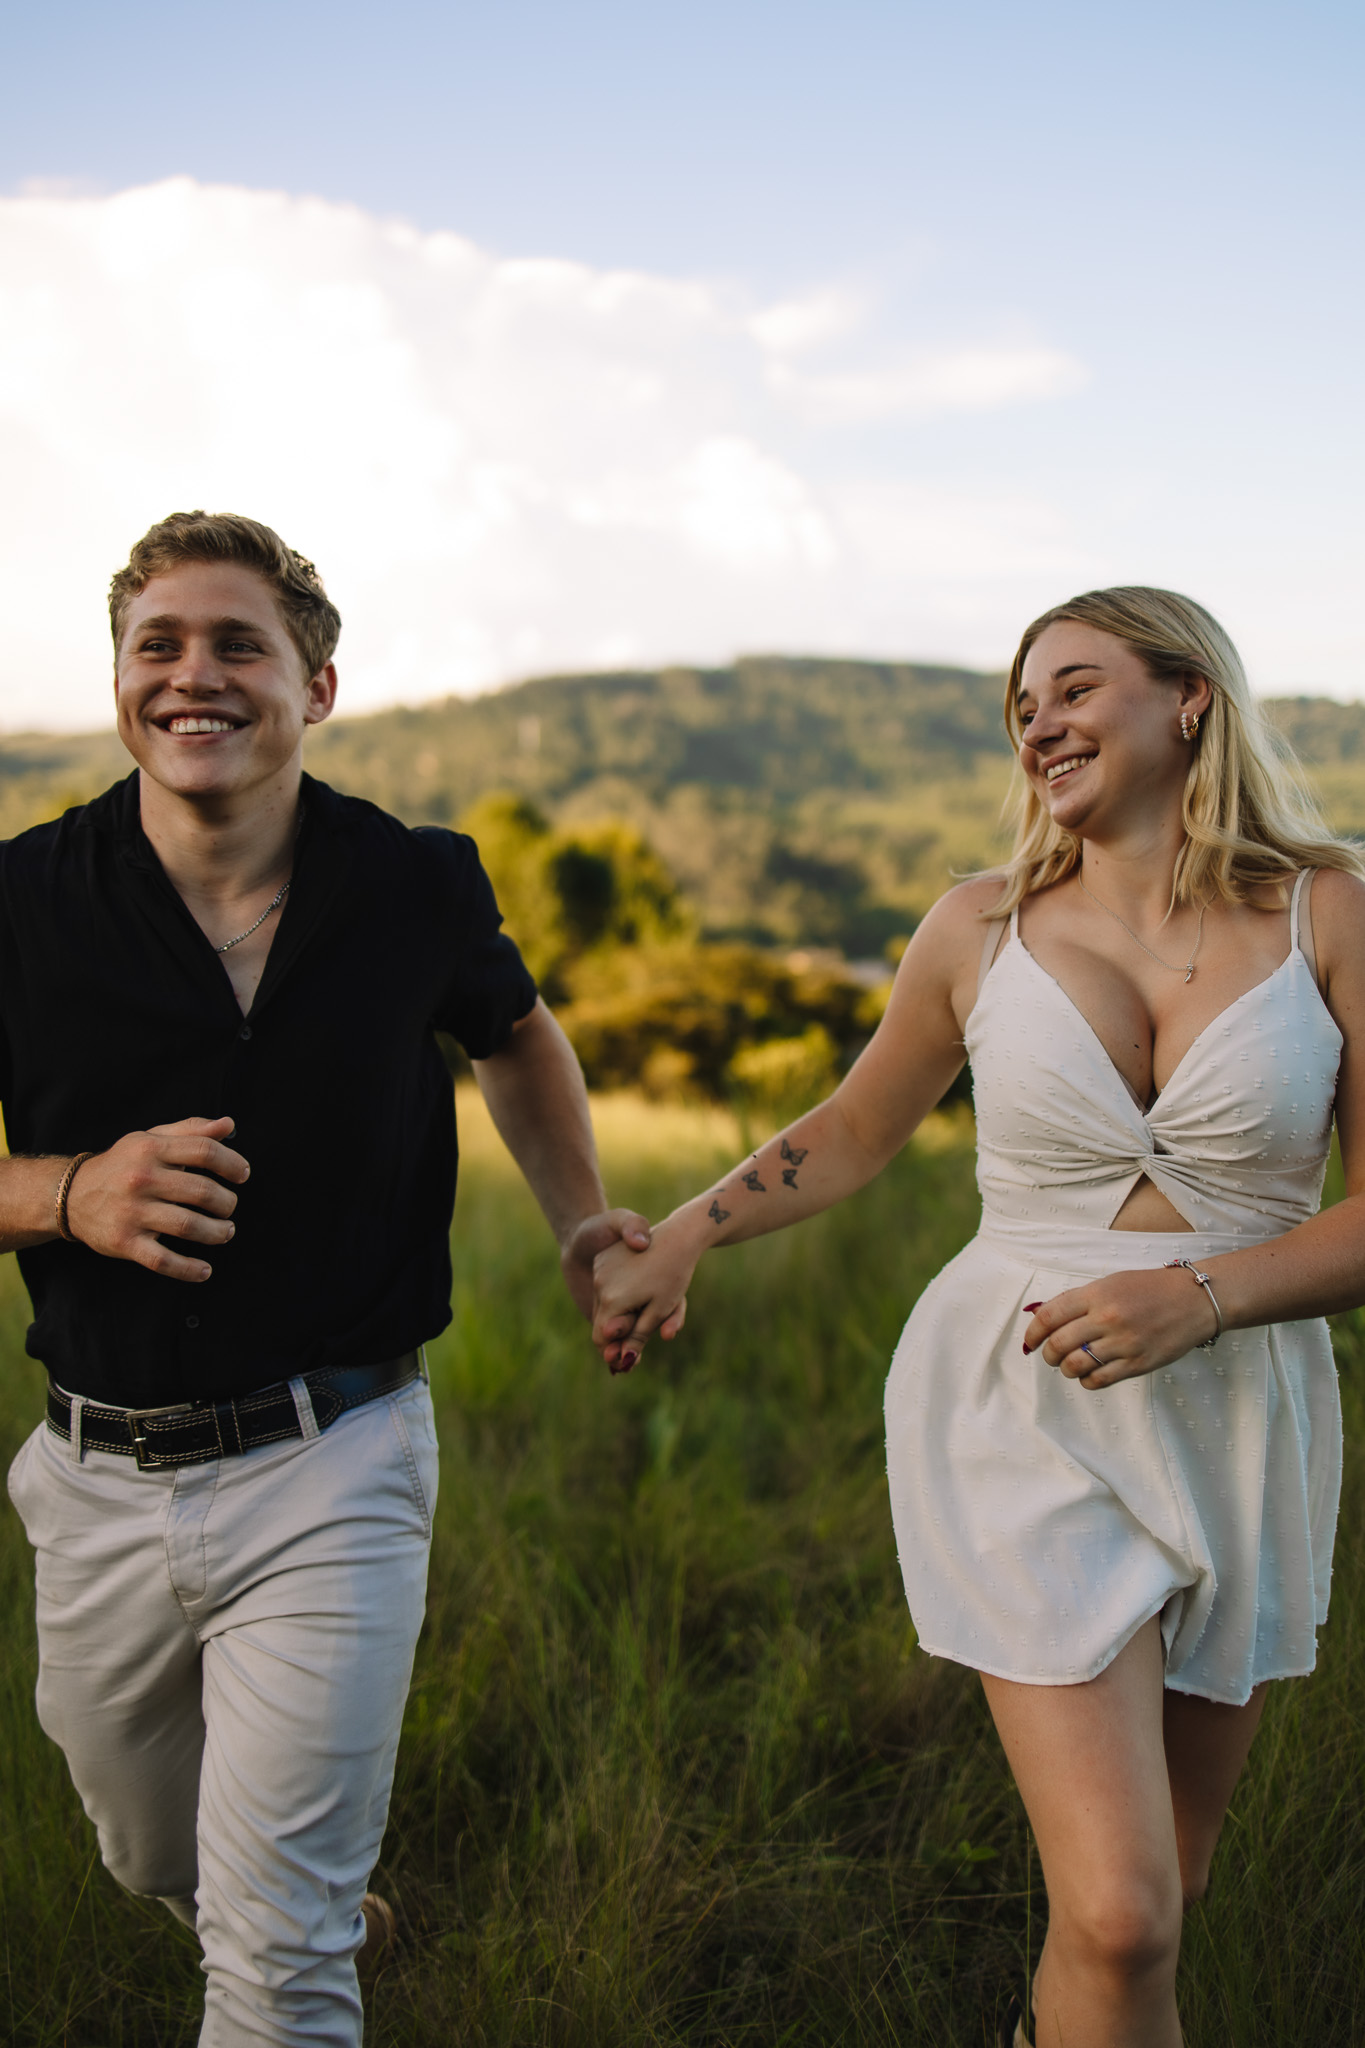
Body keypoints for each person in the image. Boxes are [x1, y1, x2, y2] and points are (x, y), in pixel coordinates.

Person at [590, 586, 1365, 2048]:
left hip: (1241, 1408)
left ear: (1187, 696)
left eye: (1073, 689)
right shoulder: (978, 926)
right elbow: (858, 1126)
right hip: (1018, 1404)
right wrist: (682, 1237)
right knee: (1124, 1911)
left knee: (1160, 1897)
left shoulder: (1328, 913)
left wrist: (1198, 1299)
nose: (1039, 726)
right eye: (1021, 709)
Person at [0, 510, 647, 2047]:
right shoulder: (19, 899)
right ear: (119, 680)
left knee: (277, 1970)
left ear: (321, 686)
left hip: (335, 1456)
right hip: (94, 1478)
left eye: (239, 645)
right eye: (157, 644)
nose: (192, 676)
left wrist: (579, 1222)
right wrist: (64, 1191)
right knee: (149, 1853)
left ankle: (295, 1921)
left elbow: (517, 1035)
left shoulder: (414, 884)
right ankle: (286, 1889)